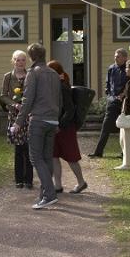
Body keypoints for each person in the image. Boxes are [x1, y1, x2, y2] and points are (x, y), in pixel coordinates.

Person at [11, 43, 61, 210]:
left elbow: (27, 99)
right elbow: (58, 99)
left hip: (39, 120)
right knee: (46, 158)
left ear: (31, 57)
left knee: (35, 158)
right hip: (53, 120)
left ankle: (49, 195)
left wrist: (18, 122)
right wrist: (57, 119)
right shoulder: (54, 73)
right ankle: (45, 194)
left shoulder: (33, 73)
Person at [47, 60, 88, 194]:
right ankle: (57, 185)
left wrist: (60, 125)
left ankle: (81, 182)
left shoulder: (63, 87)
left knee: (71, 157)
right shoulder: (54, 85)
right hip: (55, 127)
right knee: (54, 156)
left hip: (65, 128)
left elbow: (70, 110)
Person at [0, 50, 33, 189]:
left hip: (29, 115)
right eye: (18, 60)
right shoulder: (8, 77)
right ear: (13, 61)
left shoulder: (31, 75)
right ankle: (19, 179)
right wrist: (14, 104)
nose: (20, 62)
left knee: (29, 147)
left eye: (23, 60)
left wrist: (28, 106)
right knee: (19, 148)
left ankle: (29, 180)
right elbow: (3, 95)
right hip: (15, 115)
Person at [89, 48, 129, 158]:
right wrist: (109, 95)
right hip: (112, 102)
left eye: (118, 56)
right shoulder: (111, 68)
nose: (116, 58)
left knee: (125, 128)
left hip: (124, 102)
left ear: (125, 58)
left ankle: (124, 154)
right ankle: (98, 152)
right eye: (115, 56)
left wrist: (123, 96)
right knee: (105, 127)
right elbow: (108, 83)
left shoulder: (128, 69)